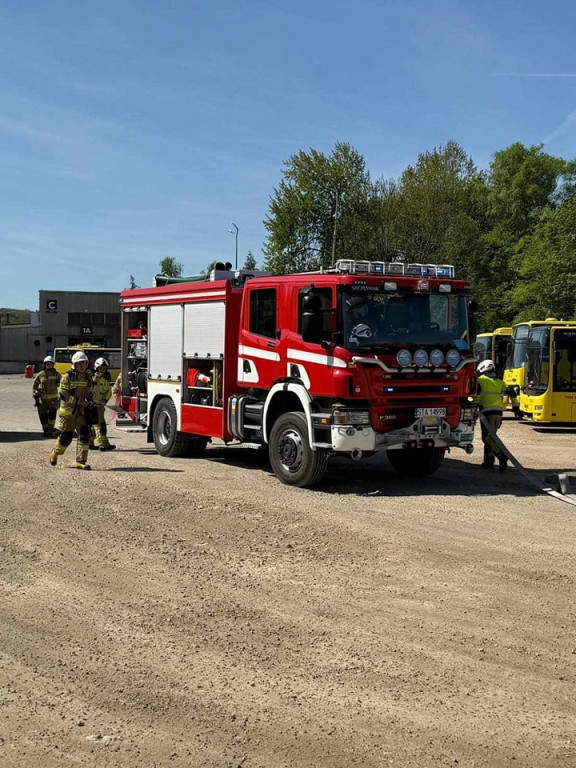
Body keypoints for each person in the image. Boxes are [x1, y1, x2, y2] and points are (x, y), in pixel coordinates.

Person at [50, 350, 95, 470]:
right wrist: (79, 401)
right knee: (67, 436)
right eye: (80, 363)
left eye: (84, 363)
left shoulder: (88, 378)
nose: (83, 366)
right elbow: (63, 394)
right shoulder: (66, 377)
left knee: (84, 434)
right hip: (68, 413)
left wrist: (90, 401)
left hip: (81, 412)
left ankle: (81, 461)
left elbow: (90, 392)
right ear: (74, 364)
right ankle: (56, 452)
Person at [474, 359, 515, 473]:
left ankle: (501, 456)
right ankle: (488, 462)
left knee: (487, 438)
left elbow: (476, 396)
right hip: (498, 414)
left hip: (487, 413)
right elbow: (512, 392)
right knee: (491, 437)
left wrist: (473, 405)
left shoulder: (480, 380)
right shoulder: (499, 382)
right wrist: (516, 407)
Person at [89, 357, 116, 451]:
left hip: (100, 406)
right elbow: (88, 391)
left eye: (104, 368)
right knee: (99, 425)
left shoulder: (105, 380)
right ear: (96, 368)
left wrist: (104, 400)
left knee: (94, 425)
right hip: (93, 405)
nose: (102, 370)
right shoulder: (92, 379)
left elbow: (108, 392)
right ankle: (103, 444)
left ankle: (90, 442)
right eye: (100, 368)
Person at [32, 355, 61, 437]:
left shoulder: (57, 374)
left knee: (52, 412)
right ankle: (46, 430)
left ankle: (51, 429)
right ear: (44, 364)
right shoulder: (40, 374)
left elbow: (62, 384)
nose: (49, 365)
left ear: (53, 364)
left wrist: (59, 384)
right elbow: (35, 386)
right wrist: (35, 394)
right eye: (47, 364)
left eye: (50, 364)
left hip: (54, 398)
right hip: (43, 399)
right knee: (43, 416)